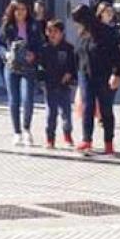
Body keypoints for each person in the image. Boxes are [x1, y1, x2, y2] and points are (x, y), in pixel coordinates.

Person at [72, 2, 120, 155]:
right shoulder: (82, 33)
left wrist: (117, 73)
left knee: (106, 108)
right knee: (87, 106)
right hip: (85, 74)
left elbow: (116, 54)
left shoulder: (106, 32)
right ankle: (86, 139)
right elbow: (78, 53)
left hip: (103, 74)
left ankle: (109, 142)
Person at [0, 0, 43, 146]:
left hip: (28, 67)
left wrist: (34, 54)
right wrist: (6, 54)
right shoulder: (7, 26)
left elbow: (40, 45)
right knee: (13, 100)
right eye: (17, 9)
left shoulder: (33, 25)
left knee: (27, 98)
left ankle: (27, 128)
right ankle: (17, 132)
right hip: (11, 67)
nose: (20, 12)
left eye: (23, 9)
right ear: (12, 11)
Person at [39, 19, 78, 148]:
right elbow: (40, 66)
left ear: (62, 33)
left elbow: (73, 65)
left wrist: (69, 74)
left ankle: (67, 136)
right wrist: (41, 80)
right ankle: (50, 138)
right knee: (51, 113)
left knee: (66, 112)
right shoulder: (44, 49)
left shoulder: (68, 48)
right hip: (50, 86)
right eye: (49, 31)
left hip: (64, 85)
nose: (52, 34)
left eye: (55, 31)